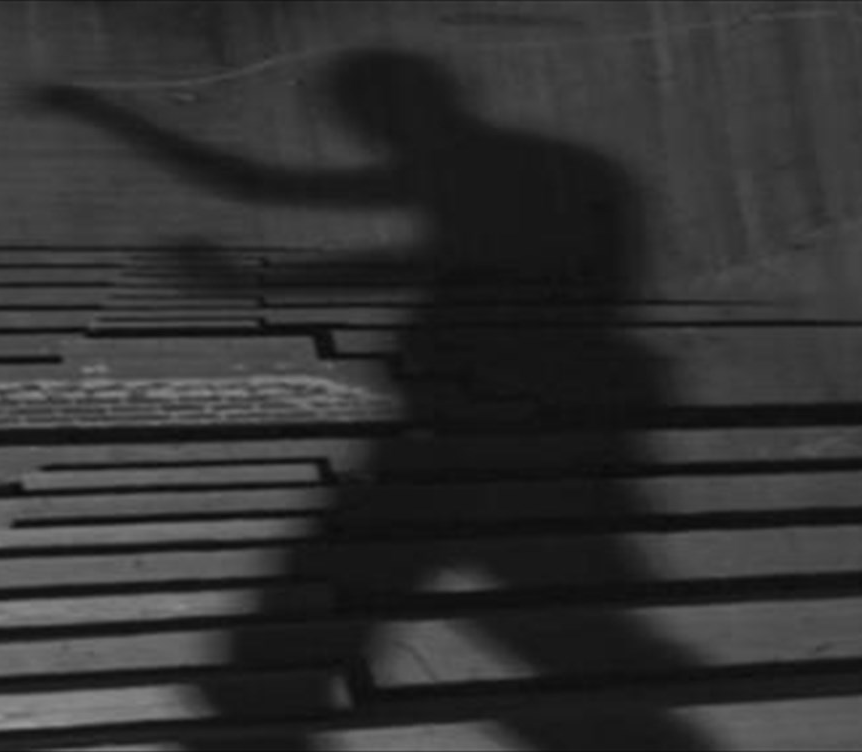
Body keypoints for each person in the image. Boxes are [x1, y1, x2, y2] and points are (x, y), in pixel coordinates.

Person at [36, 49, 711, 751]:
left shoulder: (498, 170)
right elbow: (289, 198)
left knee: (322, 603)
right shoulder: (529, 168)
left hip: (485, 422)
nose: (369, 134)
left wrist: (106, 119)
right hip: (516, 419)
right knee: (505, 614)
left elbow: (275, 192)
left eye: (365, 116)